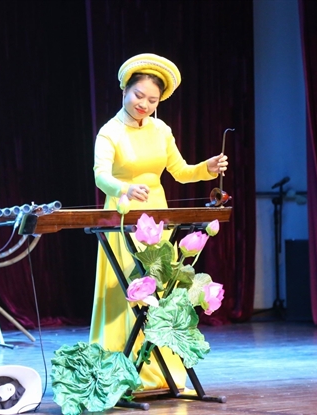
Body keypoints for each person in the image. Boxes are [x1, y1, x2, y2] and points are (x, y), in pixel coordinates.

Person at [89, 53, 228, 392]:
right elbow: (100, 175)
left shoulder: (161, 130)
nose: (144, 105)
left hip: (158, 217)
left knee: (159, 290)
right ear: (124, 90)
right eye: (139, 96)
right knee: (130, 290)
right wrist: (124, 188)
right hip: (124, 215)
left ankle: (159, 370)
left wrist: (206, 168)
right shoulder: (110, 132)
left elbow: (180, 172)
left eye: (152, 100)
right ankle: (123, 367)